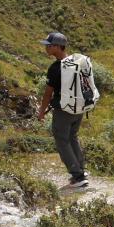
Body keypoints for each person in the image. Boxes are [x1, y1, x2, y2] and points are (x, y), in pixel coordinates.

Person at [37, 32, 88, 189]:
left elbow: (48, 93)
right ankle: (81, 170)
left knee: (61, 140)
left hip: (63, 109)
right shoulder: (76, 62)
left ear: (58, 47)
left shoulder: (55, 68)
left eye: (49, 45)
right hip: (79, 107)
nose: (46, 47)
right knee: (72, 137)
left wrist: (41, 111)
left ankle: (77, 176)